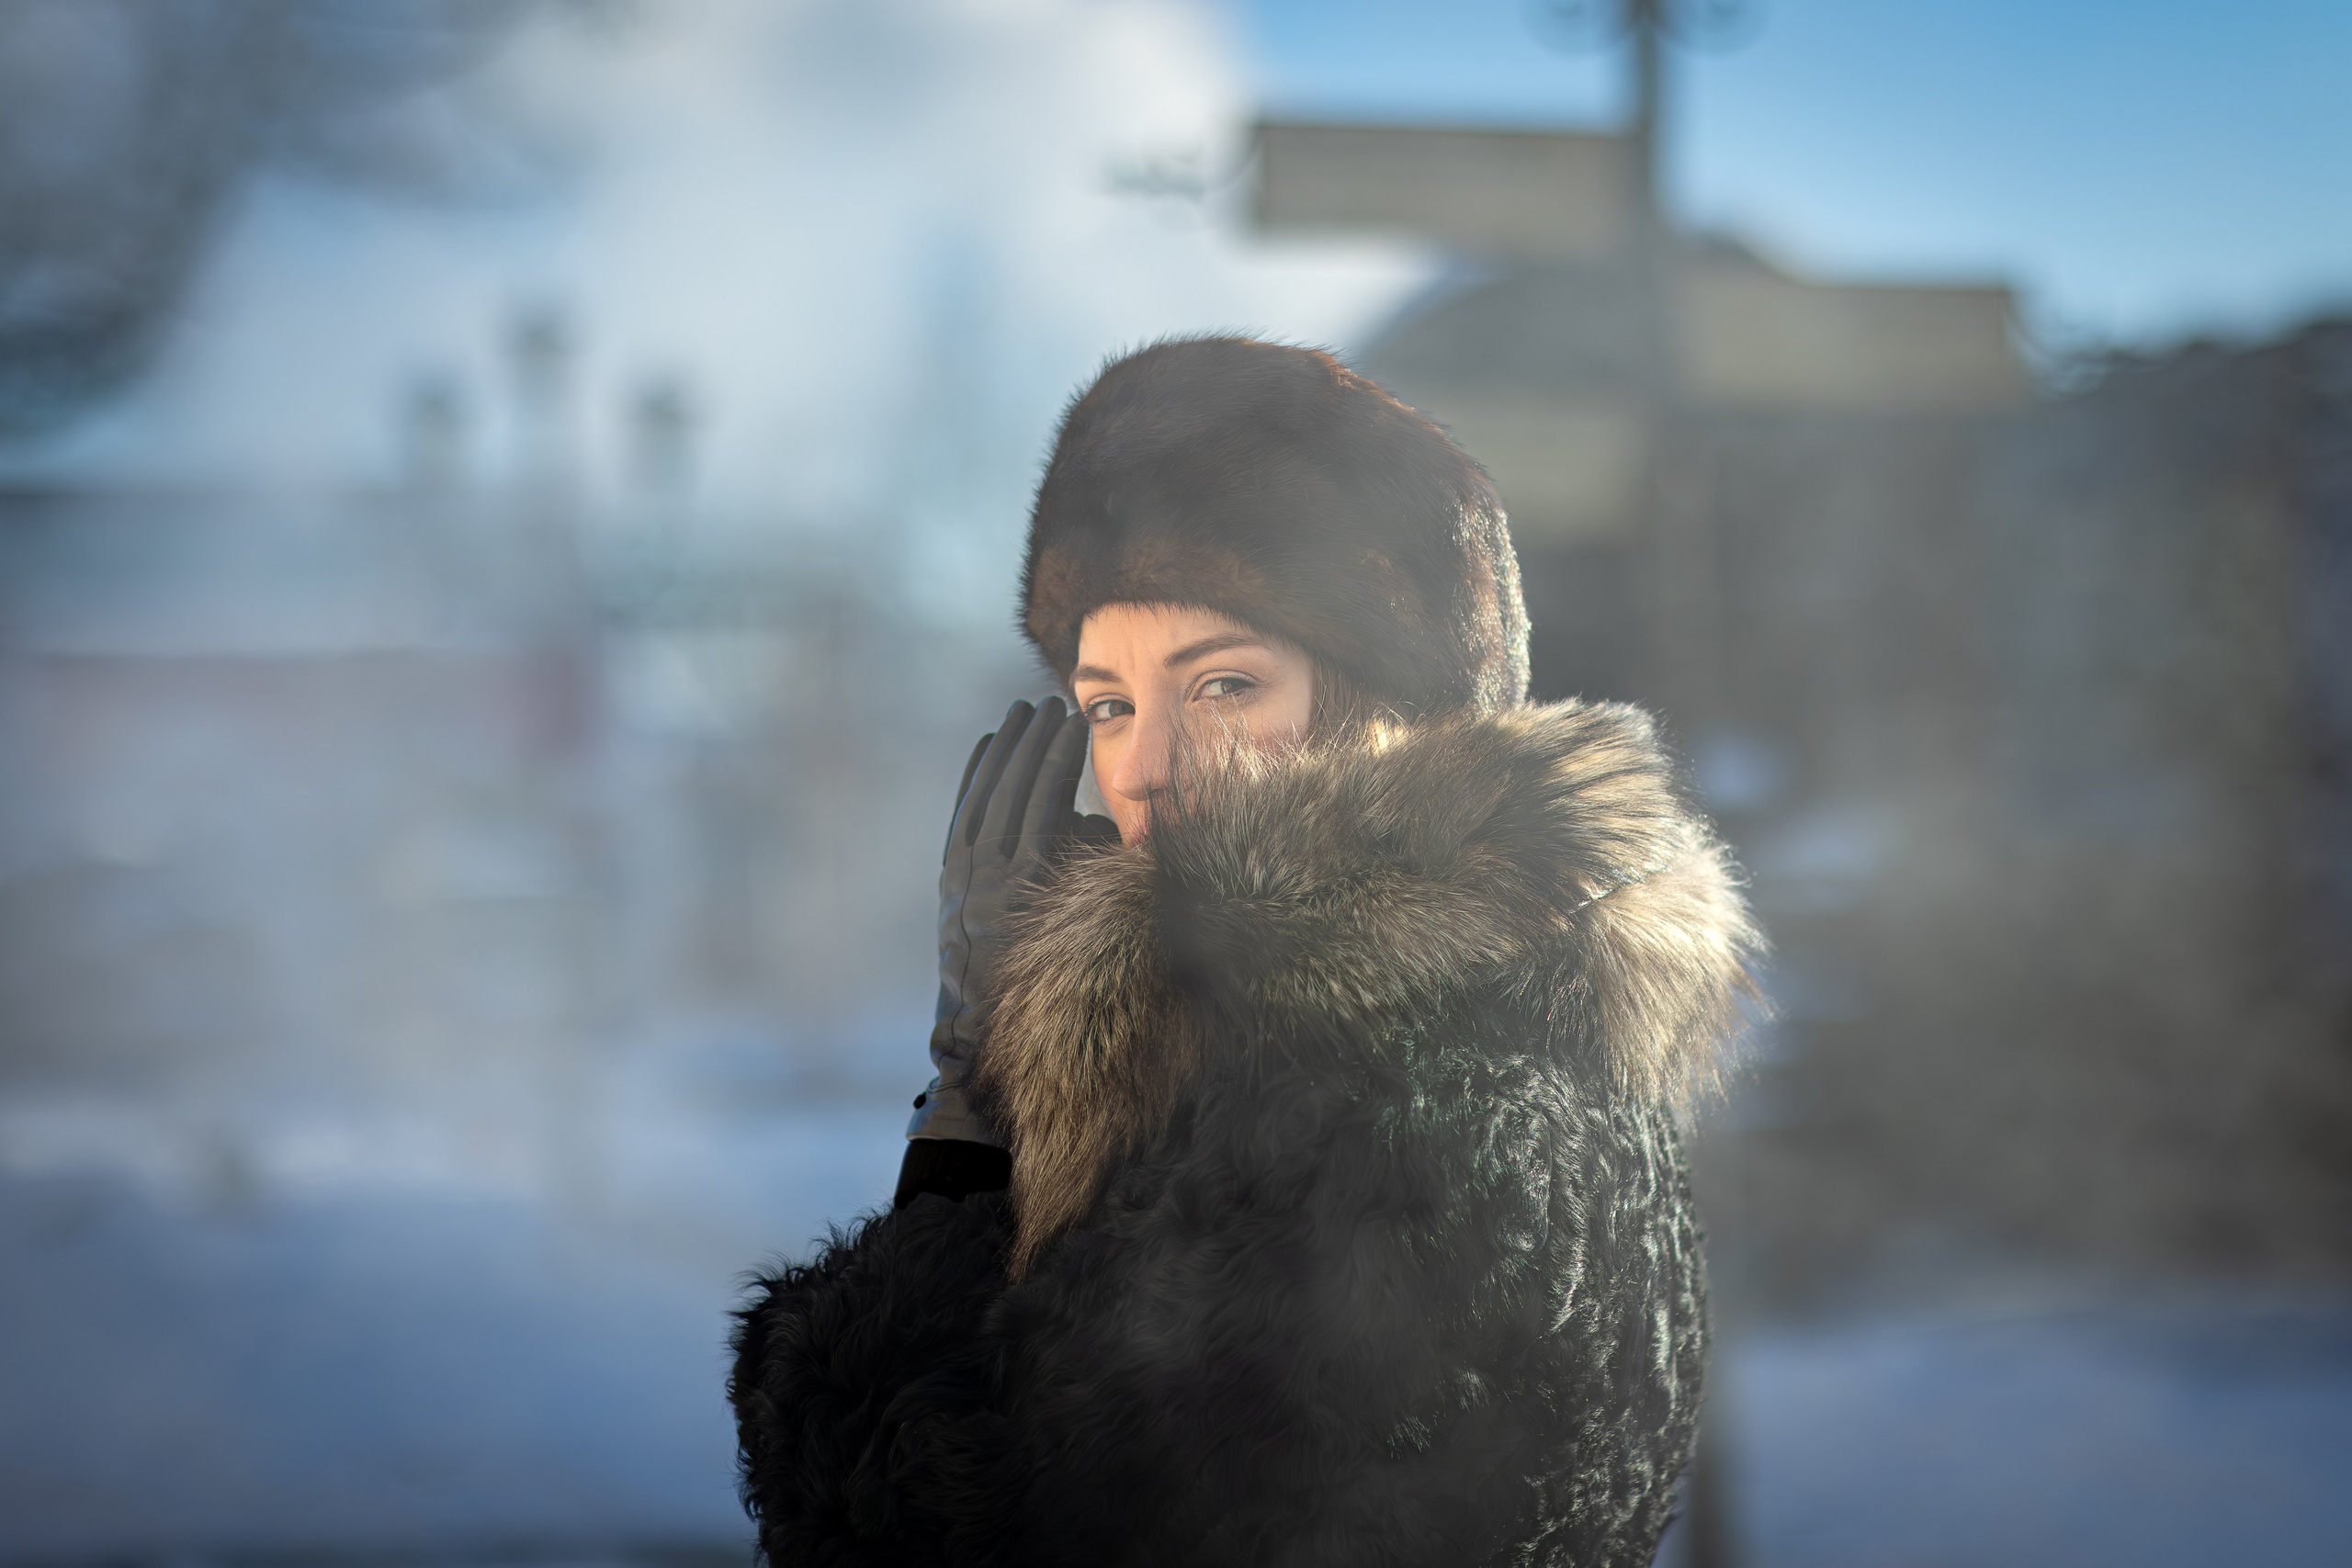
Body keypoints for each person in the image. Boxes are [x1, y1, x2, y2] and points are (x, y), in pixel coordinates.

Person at [729, 336, 1762, 1566]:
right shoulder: (1470, 1013)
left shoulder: (1392, 1101)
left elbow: (934, 1522)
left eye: (1221, 685)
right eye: (1109, 703)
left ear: (1396, 707)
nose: (1146, 766)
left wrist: (971, 1112)